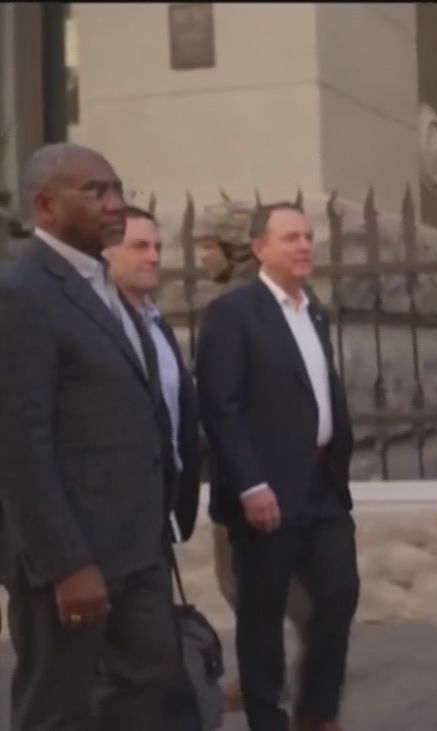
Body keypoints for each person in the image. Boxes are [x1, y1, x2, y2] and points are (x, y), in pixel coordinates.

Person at [0, 143, 178, 729]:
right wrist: (65, 563)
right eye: (95, 192)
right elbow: (19, 445)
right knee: (59, 711)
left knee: (144, 691)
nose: (115, 204)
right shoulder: (22, 293)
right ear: (45, 207)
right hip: (72, 563)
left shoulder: (104, 285)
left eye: (118, 190)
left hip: (137, 550)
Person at [196, 202, 358, 731]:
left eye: (308, 236)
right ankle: (267, 718)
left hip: (320, 484)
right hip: (265, 489)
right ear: (259, 248)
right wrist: (250, 484)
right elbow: (220, 406)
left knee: (339, 593)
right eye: (290, 238)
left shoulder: (314, 312)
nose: (304, 246)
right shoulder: (233, 313)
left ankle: (316, 713)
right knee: (262, 613)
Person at [192, 198, 314, 713]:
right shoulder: (266, 297)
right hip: (265, 470)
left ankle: (277, 673)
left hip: (252, 473)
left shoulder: (244, 304)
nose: (200, 257)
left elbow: (225, 401)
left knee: (245, 582)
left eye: (206, 247)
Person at [104, 205, 203, 543]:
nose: (153, 257)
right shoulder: (97, 328)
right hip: (118, 514)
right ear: (105, 253)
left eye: (157, 247)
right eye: (139, 246)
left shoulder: (158, 326)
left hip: (165, 507)